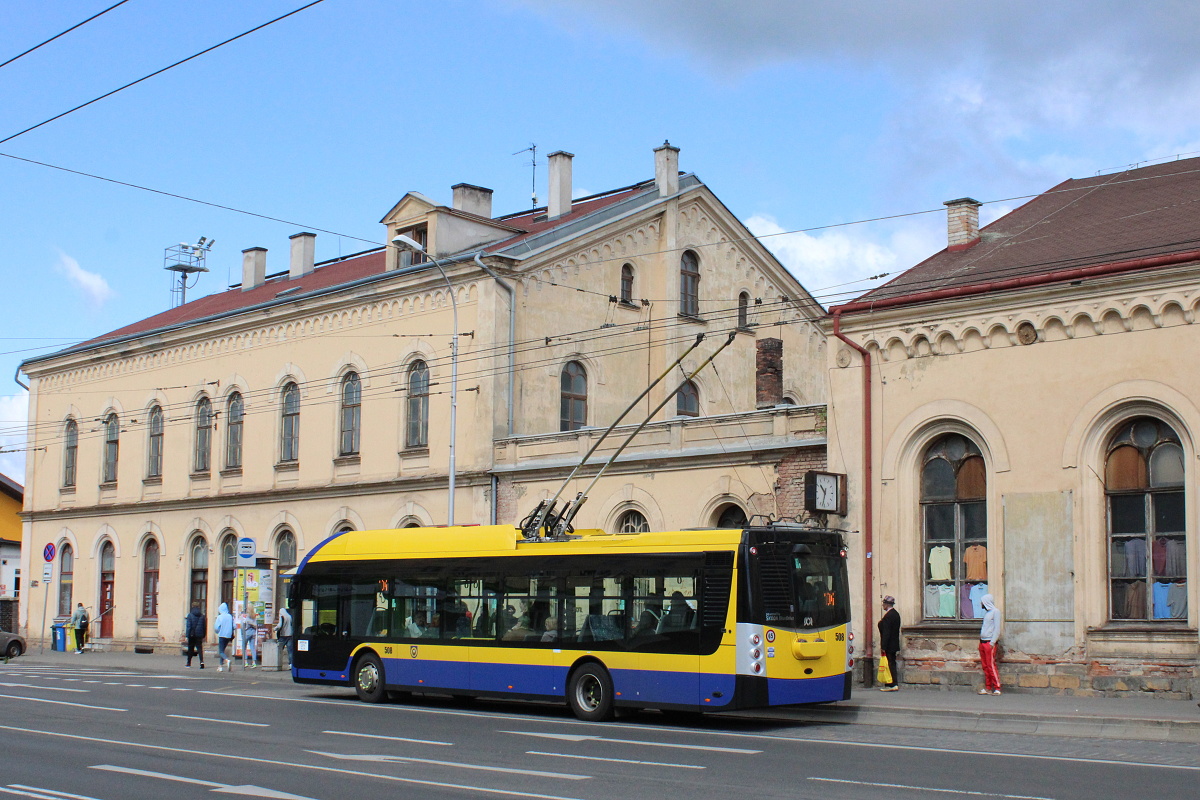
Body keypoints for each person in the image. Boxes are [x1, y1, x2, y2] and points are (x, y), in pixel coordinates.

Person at [978, 594, 1002, 695]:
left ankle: (997, 687)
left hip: (989, 643)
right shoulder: (987, 613)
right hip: (983, 642)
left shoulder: (995, 612)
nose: (981, 604)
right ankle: (988, 687)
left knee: (991, 665)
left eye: (982, 602)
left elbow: (997, 628)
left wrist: (992, 642)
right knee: (985, 666)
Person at [877, 596, 901, 691]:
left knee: (889, 664)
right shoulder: (896, 614)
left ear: (887, 604)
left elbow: (886, 632)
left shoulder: (888, 616)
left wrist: (883, 646)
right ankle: (892, 683)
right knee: (892, 663)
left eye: (884, 603)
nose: (883, 605)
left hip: (889, 644)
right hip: (894, 643)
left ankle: (891, 684)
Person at [184, 602, 206, 668]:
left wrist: (187, 635)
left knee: (190, 649)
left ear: (192, 606)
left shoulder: (190, 615)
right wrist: (203, 635)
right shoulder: (202, 616)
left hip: (192, 634)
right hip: (199, 635)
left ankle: (188, 663)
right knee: (199, 649)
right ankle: (201, 662)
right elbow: (204, 626)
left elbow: (189, 626)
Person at [214, 602, 234, 672]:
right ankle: (220, 666)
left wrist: (218, 631)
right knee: (223, 650)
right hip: (228, 635)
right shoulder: (230, 616)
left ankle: (227, 660)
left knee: (221, 651)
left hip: (222, 635)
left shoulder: (220, 617)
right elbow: (234, 626)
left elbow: (216, 627)